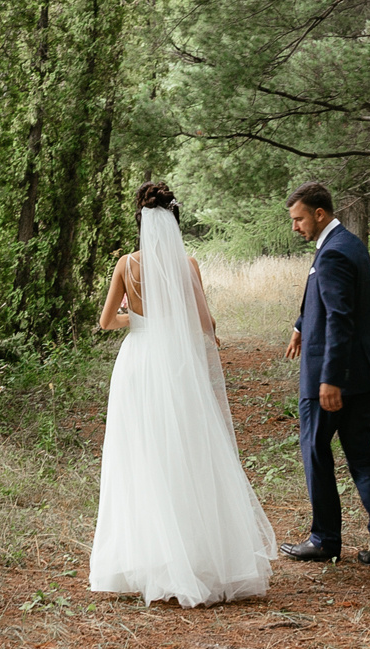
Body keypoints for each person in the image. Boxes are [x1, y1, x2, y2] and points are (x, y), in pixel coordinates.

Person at [88, 181, 278, 607]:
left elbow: (105, 322)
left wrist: (136, 321)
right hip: (175, 365)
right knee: (186, 451)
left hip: (138, 364)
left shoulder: (126, 265)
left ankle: (148, 557)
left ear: (141, 223)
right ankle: (200, 555)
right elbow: (205, 325)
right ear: (174, 223)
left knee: (140, 453)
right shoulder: (188, 265)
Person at [280, 181, 370, 571]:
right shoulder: (348, 244)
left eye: (299, 219)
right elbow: (329, 298)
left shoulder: (332, 254)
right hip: (363, 374)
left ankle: (325, 539)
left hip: (331, 379)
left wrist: (329, 380)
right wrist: (301, 323)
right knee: (362, 458)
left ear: (319, 214)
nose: (295, 227)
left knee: (315, 454)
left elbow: (340, 318)